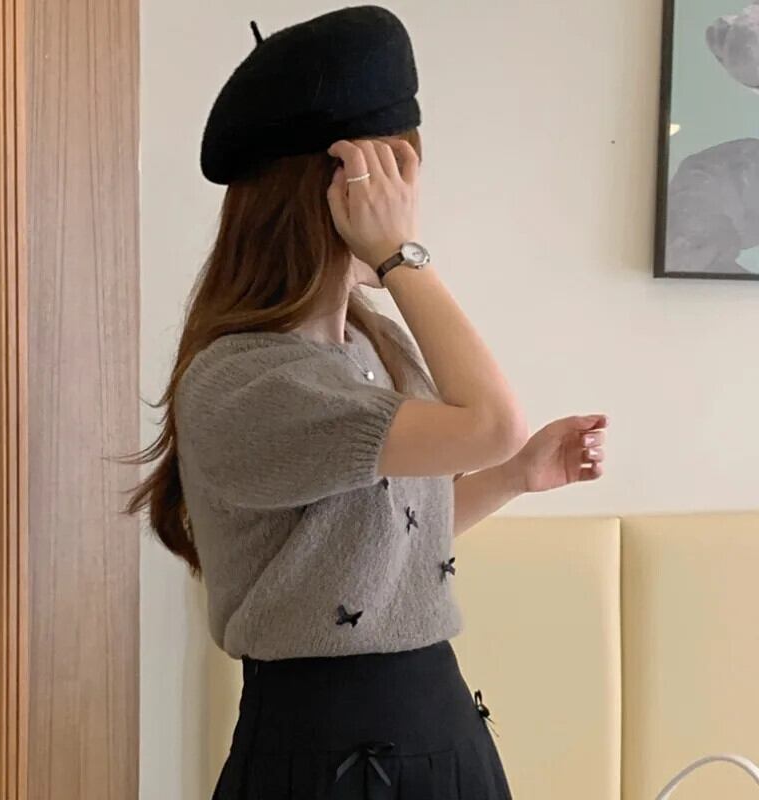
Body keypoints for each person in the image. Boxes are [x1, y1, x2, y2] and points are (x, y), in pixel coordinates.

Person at [126, 6, 608, 798]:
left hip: (439, 729)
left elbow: (380, 546)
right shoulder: (247, 381)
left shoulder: (375, 346)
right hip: (330, 757)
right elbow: (492, 421)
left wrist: (516, 475)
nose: (412, 203)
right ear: (346, 189)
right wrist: (398, 253)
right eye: (400, 178)